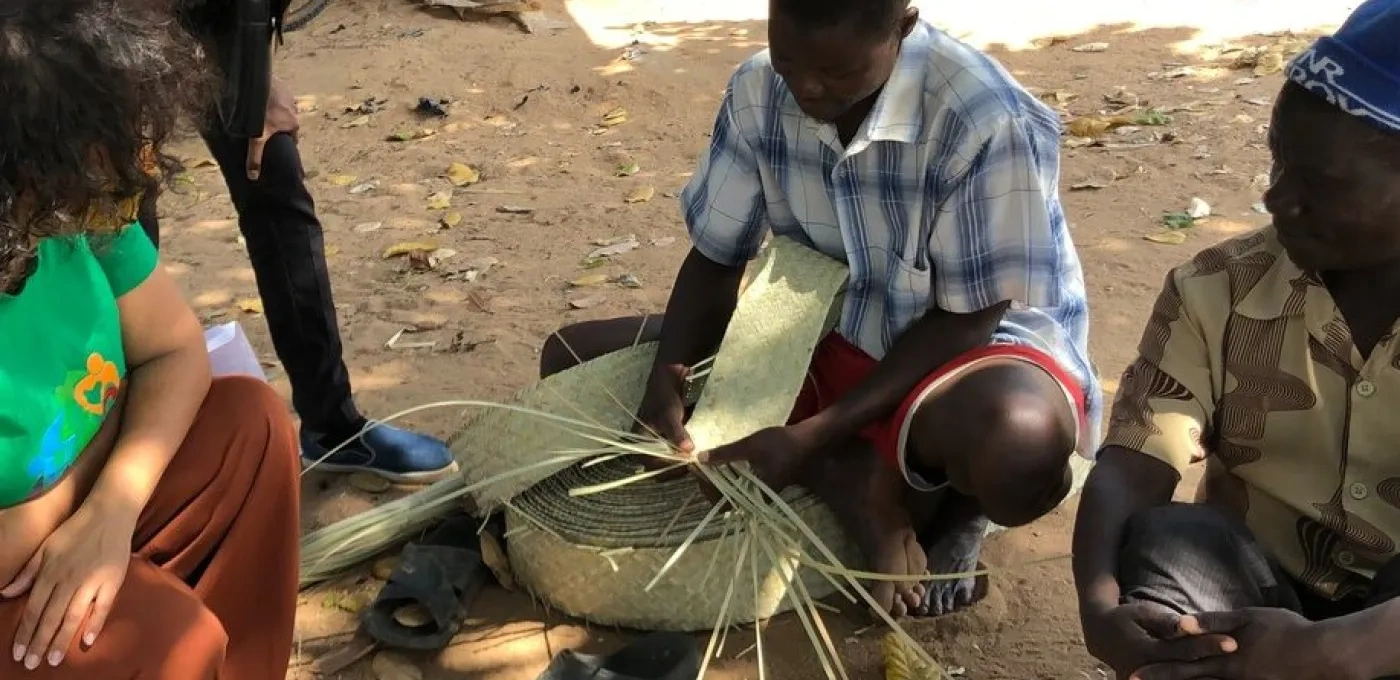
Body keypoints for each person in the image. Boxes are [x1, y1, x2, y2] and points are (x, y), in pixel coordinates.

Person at [540, 0, 1097, 617]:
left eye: (838, 73)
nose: (805, 87)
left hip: (961, 356)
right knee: (567, 357)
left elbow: (968, 318)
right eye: (788, 59)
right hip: (810, 335)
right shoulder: (758, 88)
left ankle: (955, 508)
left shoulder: (984, 117)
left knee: (1020, 445)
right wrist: (666, 382)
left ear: (902, 29)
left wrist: (808, 437)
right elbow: (718, 259)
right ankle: (853, 475)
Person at [1073, 3, 1400, 679]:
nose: (1277, 197)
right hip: (1250, 607)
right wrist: (1100, 606)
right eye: (1280, 161)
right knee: (1172, 542)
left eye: (1321, 184)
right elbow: (1135, 461)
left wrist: (1337, 650)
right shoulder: (1217, 289)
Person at [0, 1, 298, 677]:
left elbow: (175, 350)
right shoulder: (55, 191)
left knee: (251, 424)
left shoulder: (75, 208)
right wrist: (94, 492)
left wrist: (112, 506)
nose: (126, 182)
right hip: (15, 573)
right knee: (169, 639)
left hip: (56, 513)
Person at [134, 0, 457, 483]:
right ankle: (119, 460)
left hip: (208, 17)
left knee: (275, 180)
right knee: (124, 220)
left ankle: (333, 430)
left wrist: (255, 73)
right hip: (95, 26)